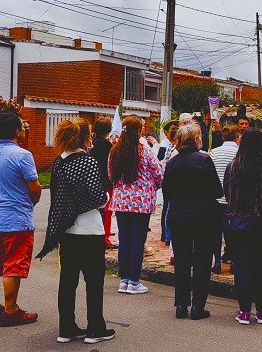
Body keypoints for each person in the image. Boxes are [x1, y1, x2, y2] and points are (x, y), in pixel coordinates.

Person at [37, 118, 114, 343]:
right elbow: (99, 198)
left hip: (67, 230)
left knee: (68, 280)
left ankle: (67, 328)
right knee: (94, 281)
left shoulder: (59, 162)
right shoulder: (87, 162)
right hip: (90, 230)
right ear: (84, 138)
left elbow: (60, 198)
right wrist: (107, 196)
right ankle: (95, 329)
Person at [0, 113, 42, 327]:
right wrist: (31, 202)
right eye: (23, 127)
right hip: (17, 219)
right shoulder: (23, 155)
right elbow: (34, 188)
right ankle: (11, 310)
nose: (24, 130)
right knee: (13, 265)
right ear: (17, 131)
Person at [163, 124, 224, 320]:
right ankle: (198, 306)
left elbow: (166, 191)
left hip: (179, 213)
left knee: (181, 259)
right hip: (203, 214)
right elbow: (217, 190)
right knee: (202, 259)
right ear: (196, 139)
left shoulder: (172, 163)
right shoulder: (205, 160)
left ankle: (181, 304)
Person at [223, 128, 262, 325]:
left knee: (243, 267)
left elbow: (227, 192)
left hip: (241, 223)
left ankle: (243, 312)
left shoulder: (233, 167)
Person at [108, 116, 164, 295]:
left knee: (124, 241)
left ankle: (123, 280)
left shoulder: (114, 151)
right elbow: (159, 175)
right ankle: (134, 281)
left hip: (121, 202)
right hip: (141, 203)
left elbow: (111, 176)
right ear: (138, 131)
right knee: (137, 242)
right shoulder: (145, 152)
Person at [209, 124, 240, 272]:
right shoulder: (239, 153)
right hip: (234, 199)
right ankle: (234, 261)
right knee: (233, 231)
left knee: (215, 232)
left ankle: (216, 262)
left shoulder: (214, 153)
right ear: (237, 137)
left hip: (216, 198)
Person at [89, 117, 115, 249]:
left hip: (94, 181)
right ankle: (105, 238)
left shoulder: (93, 143)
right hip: (105, 181)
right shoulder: (108, 145)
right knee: (107, 211)